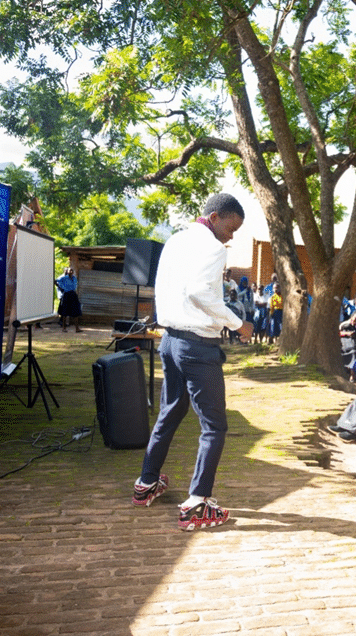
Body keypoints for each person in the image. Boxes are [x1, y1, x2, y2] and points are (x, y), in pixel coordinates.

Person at [132, 193, 253, 531]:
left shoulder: (176, 240)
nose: (231, 237)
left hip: (170, 341)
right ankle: (197, 504)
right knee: (214, 426)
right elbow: (200, 293)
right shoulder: (212, 248)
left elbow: (166, 287)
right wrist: (237, 323)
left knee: (169, 413)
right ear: (214, 218)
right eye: (230, 228)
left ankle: (146, 483)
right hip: (198, 348)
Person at [55, 267, 82, 332]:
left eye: (72, 270)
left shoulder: (74, 278)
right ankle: (64, 328)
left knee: (76, 311)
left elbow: (75, 286)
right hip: (66, 294)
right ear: (67, 271)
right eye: (70, 270)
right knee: (65, 312)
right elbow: (55, 281)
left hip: (73, 294)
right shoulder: (64, 278)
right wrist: (61, 288)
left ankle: (77, 328)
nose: (71, 272)